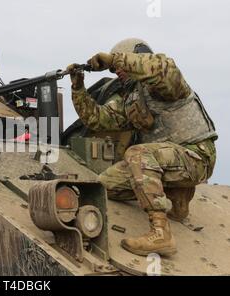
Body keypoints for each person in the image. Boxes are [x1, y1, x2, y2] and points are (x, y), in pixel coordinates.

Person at [66, 38, 217, 256]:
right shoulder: (131, 100)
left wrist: (114, 59)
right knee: (104, 186)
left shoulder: (167, 84)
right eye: (115, 68)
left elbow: (163, 67)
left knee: (137, 153)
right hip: (167, 162)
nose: (116, 71)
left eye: (119, 66)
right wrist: (78, 88)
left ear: (138, 57)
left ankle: (160, 233)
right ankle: (178, 195)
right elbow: (97, 120)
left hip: (197, 156)